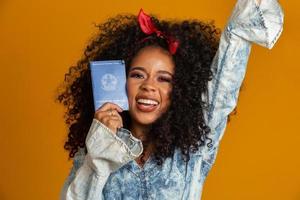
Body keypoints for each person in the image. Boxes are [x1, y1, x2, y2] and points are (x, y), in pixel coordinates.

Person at [57, 0, 284, 199]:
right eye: (137, 75)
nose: (149, 86)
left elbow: (222, 91)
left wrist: (240, 30)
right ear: (120, 81)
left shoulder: (194, 150)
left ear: (180, 90)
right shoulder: (94, 150)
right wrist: (100, 154)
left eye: (164, 79)